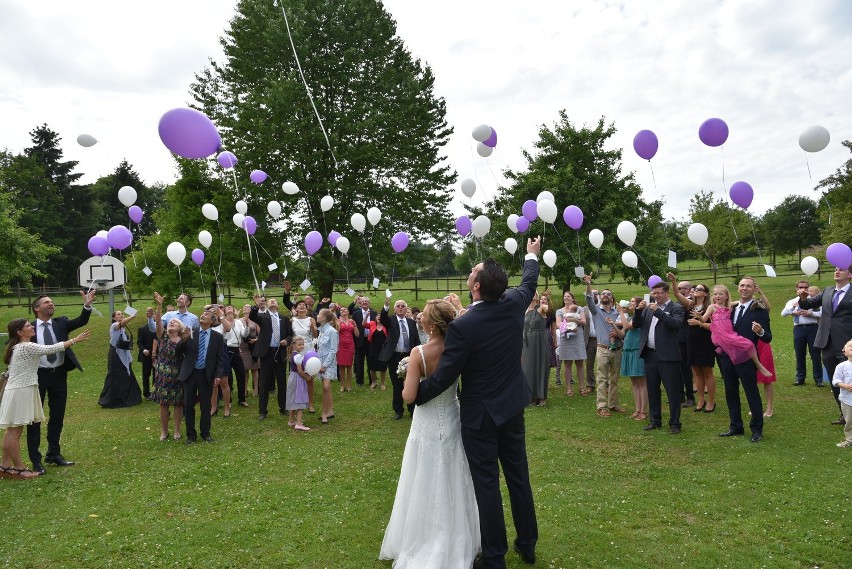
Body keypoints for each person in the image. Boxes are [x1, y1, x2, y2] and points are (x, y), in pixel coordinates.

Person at [415, 236, 542, 569]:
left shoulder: (463, 326)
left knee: (487, 484)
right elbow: (530, 280)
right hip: (512, 407)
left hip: (480, 416)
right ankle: (527, 544)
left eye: (472, 271)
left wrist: (417, 392)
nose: (469, 272)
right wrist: (531, 255)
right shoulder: (515, 302)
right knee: (518, 476)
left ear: (475, 287)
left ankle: (496, 556)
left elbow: (445, 377)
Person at [380, 299, 480, 567]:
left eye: (422, 314)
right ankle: (458, 533)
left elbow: (410, 396)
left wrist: (404, 382)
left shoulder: (418, 353)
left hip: (425, 423)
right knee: (452, 473)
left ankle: (422, 538)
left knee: (422, 474)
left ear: (433, 325)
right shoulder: (457, 349)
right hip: (451, 416)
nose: (419, 317)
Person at [1, 320, 91, 479]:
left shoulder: (18, 347)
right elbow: (51, 348)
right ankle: (20, 468)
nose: (32, 327)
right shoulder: (27, 346)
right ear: (19, 332)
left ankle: (5, 465)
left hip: (18, 390)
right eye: (28, 326)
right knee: (15, 432)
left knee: (12, 431)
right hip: (20, 391)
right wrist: (75, 340)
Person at [27, 289, 96, 474]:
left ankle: (53, 454)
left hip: (58, 375)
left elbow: (81, 321)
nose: (51, 304)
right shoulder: (30, 328)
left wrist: (87, 306)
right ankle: (35, 460)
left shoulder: (61, 324)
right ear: (36, 308)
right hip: (37, 376)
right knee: (35, 419)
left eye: (52, 302)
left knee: (57, 415)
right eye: (46, 302)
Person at [713, 277, 772, 443]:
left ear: (754, 289)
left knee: (751, 393)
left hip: (746, 359)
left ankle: (756, 429)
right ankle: (736, 426)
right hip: (727, 357)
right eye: (742, 286)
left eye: (748, 286)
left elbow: (768, 338)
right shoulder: (729, 309)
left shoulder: (759, 311)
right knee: (731, 392)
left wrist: (760, 331)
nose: (744, 288)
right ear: (738, 289)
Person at [798, 268, 852, 425]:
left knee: (849, 378)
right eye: (835, 269)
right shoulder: (828, 291)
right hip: (826, 342)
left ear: (849, 275)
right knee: (836, 380)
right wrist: (802, 298)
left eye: (841, 270)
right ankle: (844, 414)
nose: (837, 271)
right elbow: (809, 303)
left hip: (847, 344)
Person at [634, 281, 685, 434]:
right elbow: (637, 324)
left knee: (673, 391)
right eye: (653, 293)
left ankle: (675, 422)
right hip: (650, 354)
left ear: (666, 292)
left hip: (668, 356)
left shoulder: (676, 308)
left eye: (659, 293)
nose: (656, 296)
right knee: (652, 389)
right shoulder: (649, 309)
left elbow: (676, 324)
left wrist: (659, 312)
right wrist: (638, 311)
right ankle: (655, 420)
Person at [177, 309, 226, 443]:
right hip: (190, 373)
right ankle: (191, 435)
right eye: (202, 315)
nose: (202, 316)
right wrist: (184, 339)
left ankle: (205, 433)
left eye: (206, 315)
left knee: (205, 405)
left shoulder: (217, 337)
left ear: (212, 321)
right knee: (188, 405)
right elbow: (178, 352)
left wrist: (218, 375)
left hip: (206, 374)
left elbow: (220, 359)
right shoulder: (190, 331)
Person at [701, 286, 773, 377]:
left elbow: (744, 303)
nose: (717, 296)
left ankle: (755, 366)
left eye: (720, 294)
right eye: (715, 294)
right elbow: (705, 320)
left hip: (730, 335)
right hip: (721, 336)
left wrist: (757, 295)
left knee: (745, 347)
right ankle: (758, 366)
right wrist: (699, 319)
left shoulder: (728, 306)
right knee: (747, 345)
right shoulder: (713, 307)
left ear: (726, 296)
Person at [669, 276, 717, 412]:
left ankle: (711, 402)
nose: (696, 290)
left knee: (707, 371)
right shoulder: (690, 305)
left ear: (706, 293)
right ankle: (700, 400)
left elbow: (716, 325)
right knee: (696, 371)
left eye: (699, 289)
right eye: (695, 289)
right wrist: (673, 281)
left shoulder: (710, 306)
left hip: (705, 340)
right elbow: (677, 294)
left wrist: (700, 323)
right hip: (691, 340)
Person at [584, 275, 624, 417]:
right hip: (602, 349)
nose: (605, 295)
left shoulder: (617, 313)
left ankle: (613, 404)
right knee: (602, 378)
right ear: (600, 298)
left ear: (612, 299)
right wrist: (589, 284)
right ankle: (601, 407)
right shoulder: (596, 311)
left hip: (617, 349)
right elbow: (589, 299)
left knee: (614, 379)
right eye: (603, 294)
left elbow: (624, 328)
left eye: (608, 294)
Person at [250, 295, 294, 420]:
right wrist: (257, 305)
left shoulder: (284, 319)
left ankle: (283, 407)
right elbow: (252, 316)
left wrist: (286, 340)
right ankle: (263, 411)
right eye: (270, 301)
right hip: (266, 353)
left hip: (280, 352)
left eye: (275, 301)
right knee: (264, 382)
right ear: (268, 305)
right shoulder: (263, 317)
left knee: (281, 381)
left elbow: (290, 334)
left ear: (278, 306)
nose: (273, 301)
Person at [152, 301, 188, 441]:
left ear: (180, 328)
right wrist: (160, 306)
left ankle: (177, 431)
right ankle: (164, 431)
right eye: (170, 322)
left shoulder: (183, 340)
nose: (172, 323)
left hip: (178, 374)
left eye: (175, 322)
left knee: (178, 403)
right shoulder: (163, 336)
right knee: (163, 403)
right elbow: (159, 321)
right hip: (163, 375)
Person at [380, 299, 421, 420]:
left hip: (409, 356)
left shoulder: (411, 322)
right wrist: (386, 305)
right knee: (397, 384)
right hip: (394, 357)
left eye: (403, 306)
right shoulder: (391, 320)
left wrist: (418, 353)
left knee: (411, 383)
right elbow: (383, 319)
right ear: (395, 309)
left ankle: (412, 408)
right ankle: (398, 410)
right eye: (398, 306)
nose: (401, 307)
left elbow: (416, 339)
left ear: (406, 309)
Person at [98, 310, 143, 408]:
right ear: (114, 318)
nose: (121, 315)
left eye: (122, 314)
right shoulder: (114, 326)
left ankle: (129, 397)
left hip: (124, 355)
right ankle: (112, 399)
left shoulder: (123, 329)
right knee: (116, 375)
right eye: (118, 314)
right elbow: (121, 324)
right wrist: (132, 316)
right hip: (116, 355)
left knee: (126, 374)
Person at [782, 281, 823, 386]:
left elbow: (822, 313)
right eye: (801, 287)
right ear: (797, 289)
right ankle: (800, 378)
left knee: (815, 354)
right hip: (799, 328)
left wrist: (810, 313)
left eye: (806, 287)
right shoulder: (793, 301)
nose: (803, 289)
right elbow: (783, 314)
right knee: (800, 353)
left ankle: (818, 379)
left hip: (813, 328)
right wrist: (793, 310)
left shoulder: (814, 301)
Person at [618, 297, 647, 420]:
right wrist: (613, 325)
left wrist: (620, 312)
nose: (630, 303)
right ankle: (637, 408)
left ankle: (643, 410)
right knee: (634, 382)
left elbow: (627, 326)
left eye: (633, 301)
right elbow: (622, 334)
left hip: (637, 350)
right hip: (628, 350)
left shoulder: (638, 317)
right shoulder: (630, 317)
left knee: (642, 382)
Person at [522, 292, 551, 407]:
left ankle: (542, 396)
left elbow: (547, 308)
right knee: (528, 367)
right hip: (527, 341)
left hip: (540, 340)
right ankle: (532, 397)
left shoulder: (540, 308)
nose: (533, 295)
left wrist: (547, 301)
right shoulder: (523, 310)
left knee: (541, 366)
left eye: (535, 293)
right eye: (531, 293)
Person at [555, 291, 587, 397]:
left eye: (568, 296)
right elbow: (558, 324)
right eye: (564, 296)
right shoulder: (559, 311)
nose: (566, 298)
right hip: (566, 339)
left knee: (580, 363)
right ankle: (568, 388)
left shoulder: (579, 309)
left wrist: (572, 319)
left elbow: (583, 322)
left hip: (578, 339)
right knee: (567, 364)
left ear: (572, 298)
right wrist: (568, 328)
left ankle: (582, 387)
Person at [291, 299, 317, 412]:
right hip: (297, 350)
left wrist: (312, 327)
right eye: (299, 305)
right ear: (296, 309)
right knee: (298, 376)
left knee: (309, 377)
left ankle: (310, 403)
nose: (302, 306)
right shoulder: (292, 320)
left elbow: (315, 335)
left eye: (304, 305)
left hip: (308, 350)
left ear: (307, 309)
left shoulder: (311, 319)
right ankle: (298, 402)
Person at [674, 280, 695, 408]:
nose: (677, 289)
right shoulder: (678, 301)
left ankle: (690, 396)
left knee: (686, 369)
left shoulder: (690, 302)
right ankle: (680, 394)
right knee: (678, 368)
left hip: (685, 337)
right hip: (676, 337)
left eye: (680, 287)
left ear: (687, 289)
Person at [222, 305, 249, 408]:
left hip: (236, 350)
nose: (229, 308)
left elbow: (244, 334)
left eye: (231, 307)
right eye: (227, 307)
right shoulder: (222, 321)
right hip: (226, 349)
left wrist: (246, 325)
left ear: (233, 311)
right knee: (228, 377)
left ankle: (242, 399)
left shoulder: (238, 322)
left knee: (241, 374)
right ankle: (228, 401)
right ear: (224, 311)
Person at [316, 308, 339, 424]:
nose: (317, 316)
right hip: (320, 362)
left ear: (324, 318)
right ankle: (330, 411)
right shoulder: (321, 330)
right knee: (327, 388)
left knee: (326, 386)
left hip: (328, 363)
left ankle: (324, 413)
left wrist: (324, 365)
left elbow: (333, 350)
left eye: (319, 314)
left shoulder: (332, 332)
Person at [285, 337, 311, 432]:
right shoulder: (298, 356)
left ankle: (291, 420)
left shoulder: (294, 355)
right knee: (300, 399)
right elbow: (300, 371)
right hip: (297, 379)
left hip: (293, 377)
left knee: (294, 399)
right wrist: (307, 377)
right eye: (299, 344)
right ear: (294, 346)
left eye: (302, 344)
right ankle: (299, 423)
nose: (302, 346)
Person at [831, 340, 852, 448]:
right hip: (847, 400)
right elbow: (835, 381)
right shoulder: (842, 366)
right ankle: (849, 440)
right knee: (849, 421)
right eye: (850, 346)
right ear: (844, 352)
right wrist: (845, 386)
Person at [352, 296, 377, 387]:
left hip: (371, 341)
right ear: (360, 303)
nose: (365, 303)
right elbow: (353, 328)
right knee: (359, 362)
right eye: (363, 301)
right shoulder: (356, 314)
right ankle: (359, 381)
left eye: (366, 301)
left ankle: (372, 380)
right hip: (360, 340)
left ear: (369, 303)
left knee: (371, 361)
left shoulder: (374, 313)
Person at [239, 304, 260, 396]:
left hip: (253, 347)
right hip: (243, 347)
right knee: (245, 369)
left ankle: (256, 389)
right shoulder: (238, 320)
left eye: (248, 307)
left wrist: (256, 340)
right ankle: (244, 389)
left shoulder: (255, 320)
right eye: (244, 307)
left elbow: (260, 333)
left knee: (255, 369)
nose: (246, 308)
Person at [337, 306, 358, 393]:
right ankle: (342, 385)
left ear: (348, 312)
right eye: (341, 310)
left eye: (345, 309)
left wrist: (355, 325)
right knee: (341, 366)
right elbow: (335, 332)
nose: (343, 311)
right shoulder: (337, 321)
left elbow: (357, 334)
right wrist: (339, 324)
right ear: (340, 313)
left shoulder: (351, 321)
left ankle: (349, 385)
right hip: (341, 345)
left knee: (349, 365)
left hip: (350, 344)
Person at [137, 307, 157, 400]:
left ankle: (157, 391)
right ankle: (146, 393)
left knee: (157, 373)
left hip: (157, 354)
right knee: (146, 374)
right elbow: (139, 342)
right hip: (146, 355)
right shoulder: (142, 329)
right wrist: (144, 350)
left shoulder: (159, 328)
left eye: (154, 315)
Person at [366, 319, 388, 390]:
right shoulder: (372, 324)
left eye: (380, 316)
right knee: (372, 366)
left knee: (383, 367)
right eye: (377, 316)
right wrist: (366, 316)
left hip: (383, 349)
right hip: (373, 348)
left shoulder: (386, 325)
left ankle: (382, 384)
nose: (379, 317)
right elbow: (363, 325)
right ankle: (373, 382)